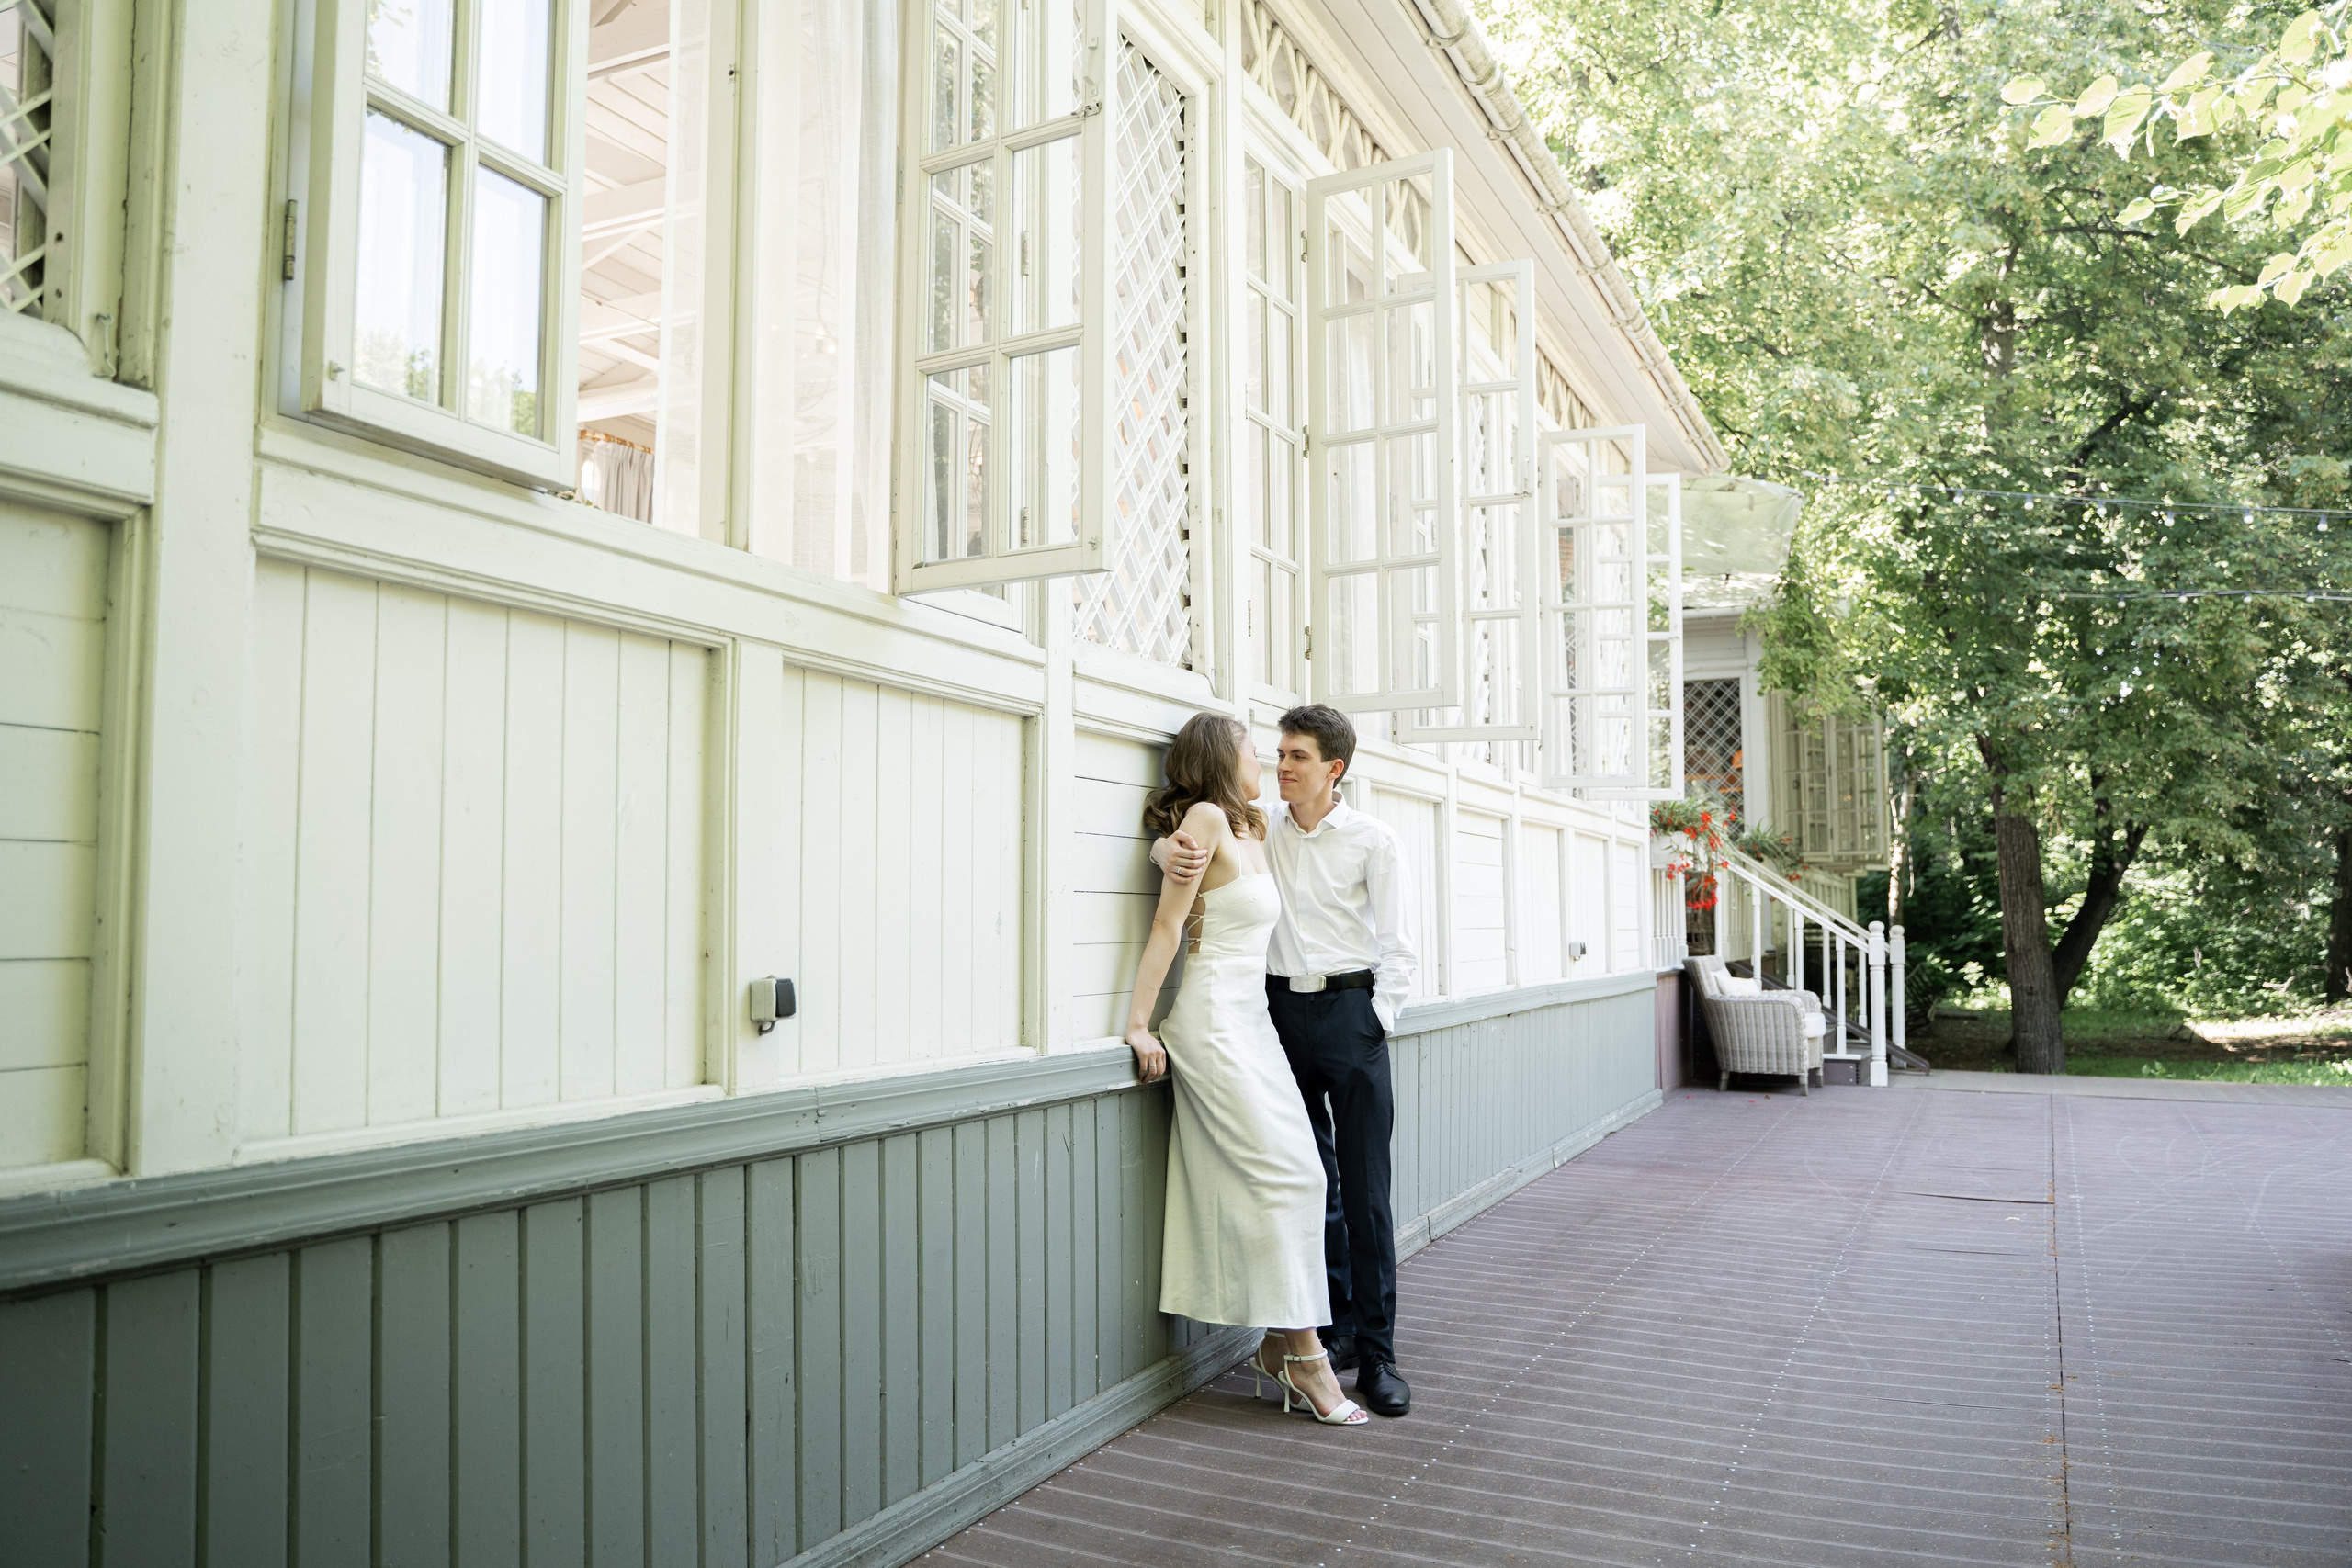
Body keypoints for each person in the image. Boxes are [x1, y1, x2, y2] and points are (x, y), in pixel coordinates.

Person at [1153, 705, 1415, 1418]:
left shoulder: (1371, 838)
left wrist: (1375, 1019)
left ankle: (1379, 1352)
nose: (1281, 765)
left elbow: (1399, 943)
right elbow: (1196, 838)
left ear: (1333, 768)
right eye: (1277, 753)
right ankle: (1323, 1335)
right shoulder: (1262, 821)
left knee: (1363, 1188)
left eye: (1297, 756)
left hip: (1349, 1015)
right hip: (1274, 1017)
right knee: (1313, 1178)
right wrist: (1163, 854)